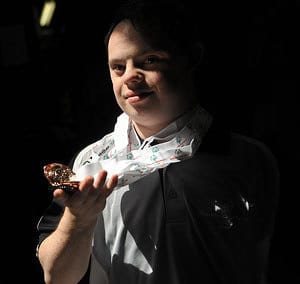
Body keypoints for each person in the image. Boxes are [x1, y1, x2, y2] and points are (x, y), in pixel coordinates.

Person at [36, 0, 280, 283]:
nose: (129, 77)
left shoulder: (249, 159)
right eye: (118, 67)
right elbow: (56, 276)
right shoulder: (90, 164)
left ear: (191, 58)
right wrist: (79, 220)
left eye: (149, 60)